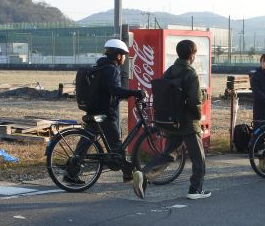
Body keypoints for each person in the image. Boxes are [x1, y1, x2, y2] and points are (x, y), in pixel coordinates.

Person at [70, 39, 146, 198]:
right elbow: (115, 90)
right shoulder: (111, 70)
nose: (124, 58)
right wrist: (135, 93)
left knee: (85, 142)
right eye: (124, 55)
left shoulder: (99, 67)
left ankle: (71, 173)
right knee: (116, 148)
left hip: (93, 111)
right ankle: (129, 173)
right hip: (106, 114)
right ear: (118, 56)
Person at [143, 39, 211, 199]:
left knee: (169, 154)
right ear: (192, 55)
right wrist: (197, 115)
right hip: (188, 122)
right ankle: (195, 190)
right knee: (198, 158)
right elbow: (194, 100)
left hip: (172, 120)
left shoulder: (170, 71)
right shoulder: (190, 73)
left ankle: (143, 173)